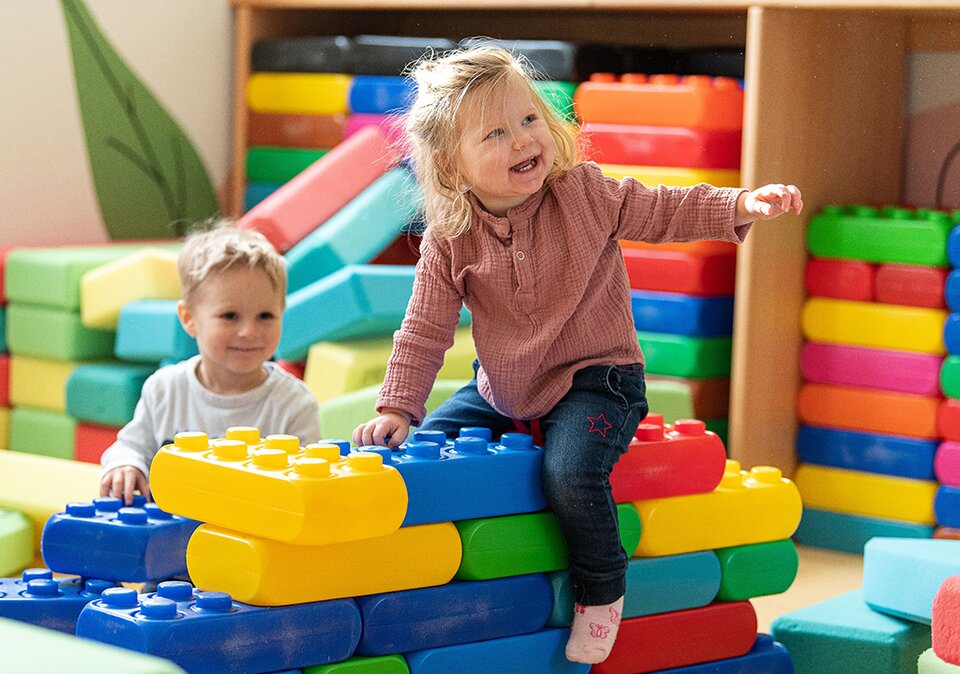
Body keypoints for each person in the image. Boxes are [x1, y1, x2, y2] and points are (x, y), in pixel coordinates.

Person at [352, 45, 802, 664]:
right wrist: (398, 407)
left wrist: (739, 205)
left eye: (530, 119)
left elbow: (662, 208)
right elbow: (424, 328)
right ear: (451, 167)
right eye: (496, 133)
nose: (522, 140)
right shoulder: (450, 238)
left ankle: (602, 586)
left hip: (599, 380)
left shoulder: (583, 194)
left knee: (569, 472)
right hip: (503, 388)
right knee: (425, 451)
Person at [100, 225, 320, 505]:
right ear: (189, 318)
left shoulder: (294, 404)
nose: (249, 332)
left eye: (265, 316)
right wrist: (126, 464)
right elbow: (131, 446)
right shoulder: (164, 389)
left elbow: (308, 487)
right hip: (169, 538)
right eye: (229, 316)